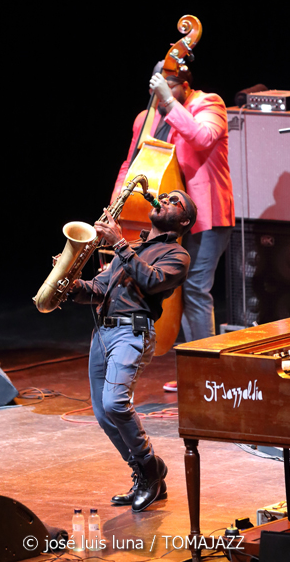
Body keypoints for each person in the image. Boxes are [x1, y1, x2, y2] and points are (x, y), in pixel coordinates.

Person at [69, 189, 197, 512]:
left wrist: (118, 243)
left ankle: (150, 468)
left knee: (114, 403)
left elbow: (152, 281)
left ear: (184, 221)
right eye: (164, 196)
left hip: (132, 331)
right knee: (103, 413)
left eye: (174, 201)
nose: (163, 200)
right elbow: (99, 289)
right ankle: (146, 473)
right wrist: (70, 284)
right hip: (102, 333)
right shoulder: (133, 248)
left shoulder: (177, 255)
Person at [111, 64, 235, 391]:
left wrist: (169, 102)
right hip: (168, 220)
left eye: (168, 85)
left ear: (184, 84)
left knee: (195, 288)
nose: (161, 92)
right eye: (156, 86)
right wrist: (116, 203)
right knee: (171, 289)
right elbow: (131, 164)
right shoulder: (146, 117)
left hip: (207, 215)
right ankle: (191, 372)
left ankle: (207, 374)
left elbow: (202, 137)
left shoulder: (209, 104)